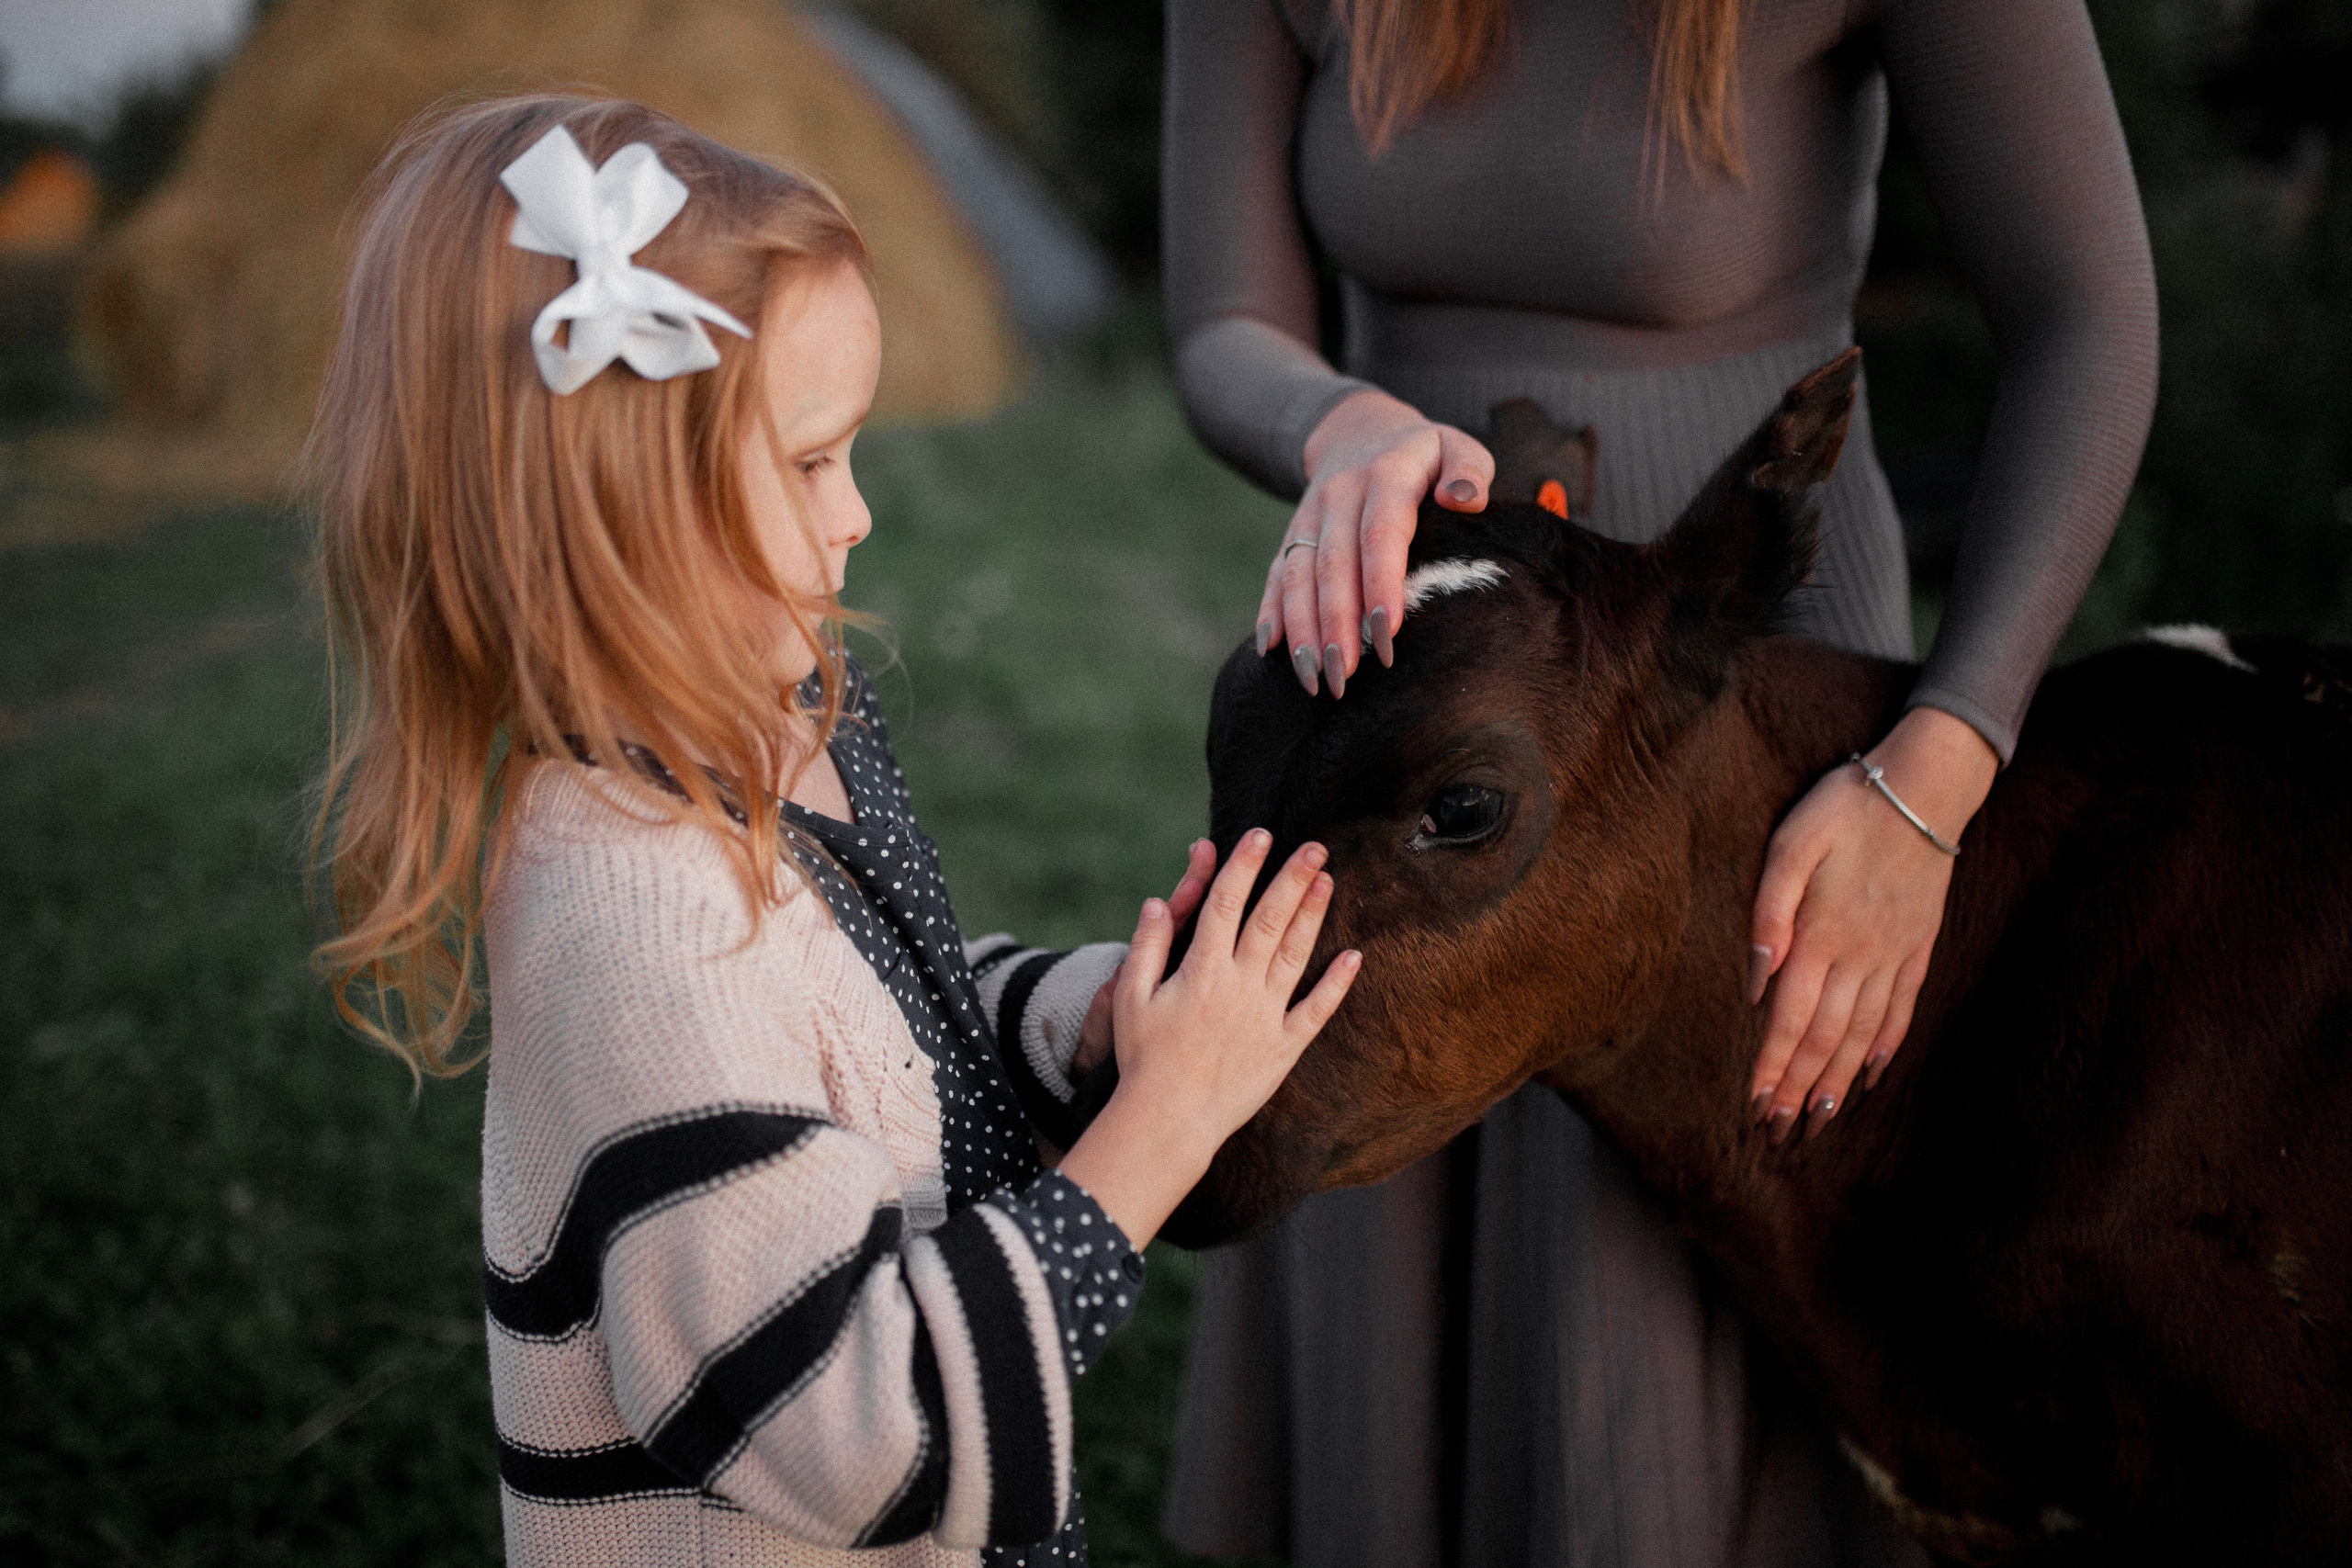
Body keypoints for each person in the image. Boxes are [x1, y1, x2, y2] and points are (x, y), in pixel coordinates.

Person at [1159, 1, 2157, 1563]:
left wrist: (1943, 761)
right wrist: (1337, 423)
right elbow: (1224, 316)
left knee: (1646, 1332)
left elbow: (2090, 315)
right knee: (1346, 1171)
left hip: (1731, 724)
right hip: (1391, 699)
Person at [307, 95, 1362, 1568]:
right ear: (610, 506)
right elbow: (871, 1436)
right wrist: (1166, 1118)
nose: (855, 516)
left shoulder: (783, 729)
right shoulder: (636, 921)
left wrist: (1092, 1026)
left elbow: (884, 1034)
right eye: (811, 463)